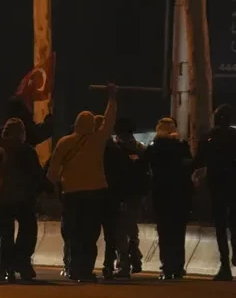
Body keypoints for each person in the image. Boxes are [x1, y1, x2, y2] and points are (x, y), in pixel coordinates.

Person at [48, 85, 117, 283]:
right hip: (95, 194)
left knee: (74, 233)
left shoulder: (64, 142)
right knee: (90, 234)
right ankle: (86, 270)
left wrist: (51, 190)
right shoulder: (97, 140)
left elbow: (53, 170)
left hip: (71, 194)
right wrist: (112, 99)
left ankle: (74, 267)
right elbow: (109, 120)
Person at [0, 117, 47, 280]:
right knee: (28, 229)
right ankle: (22, 263)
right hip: (22, 198)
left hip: (1, 197)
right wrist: (48, 188)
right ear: (21, 133)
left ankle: (3, 267)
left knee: (4, 234)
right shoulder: (26, 150)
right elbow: (37, 174)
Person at [143, 117, 192, 280]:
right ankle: (178, 266)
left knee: (164, 232)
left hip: (161, 194)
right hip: (180, 194)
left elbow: (143, 165)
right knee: (178, 231)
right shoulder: (182, 147)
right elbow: (189, 166)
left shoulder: (154, 148)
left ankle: (167, 266)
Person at [192, 103, 236, 281]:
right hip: (234, 183)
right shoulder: (234, 135)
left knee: (220, 225)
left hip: (216, 184)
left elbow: (198, 161)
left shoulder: (208, 137)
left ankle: (224, 264)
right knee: (234, 222)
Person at [104, 117, 149, 279]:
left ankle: (124, 264)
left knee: (120, 230)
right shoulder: (140, 149)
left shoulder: (116, 149)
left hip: (120, 193)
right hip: (137, 194)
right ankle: (135, 256)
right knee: (132, 226)